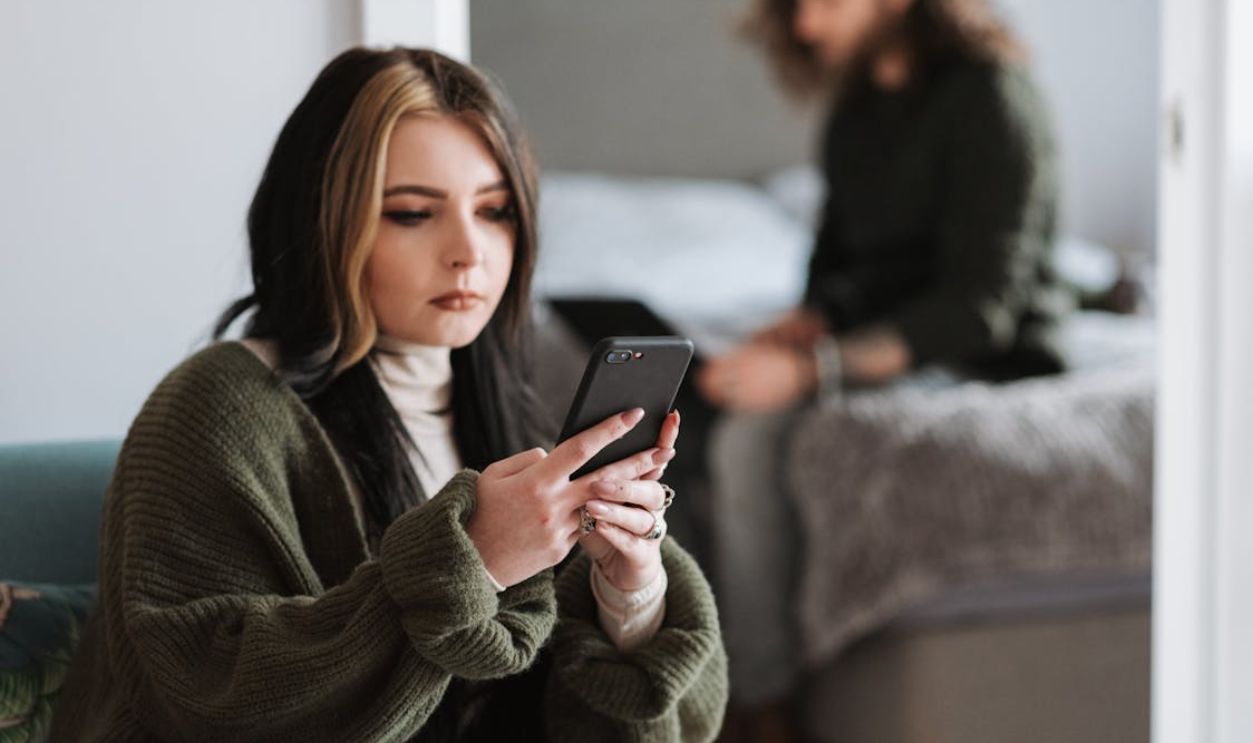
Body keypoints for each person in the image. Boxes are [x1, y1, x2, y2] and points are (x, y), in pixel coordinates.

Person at [50, 48, 726, 742]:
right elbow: (206, 695)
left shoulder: (505, 414)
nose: (470, 250)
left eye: (494, 211)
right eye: (411, 213)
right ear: (322, 221)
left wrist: (628, 594)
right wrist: (473, 559)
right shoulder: (218, 406)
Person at [699, 0, 1072, 738]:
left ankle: (760, 702)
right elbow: (837, 262)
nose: (806, 26)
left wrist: (814, 372)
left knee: (749, 440)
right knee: (700, 402)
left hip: (981, 354)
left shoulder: (990, 97)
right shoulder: (857, 109)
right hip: (875, 336)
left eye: (827, 3)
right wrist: (809, 322)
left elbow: (977, 309)